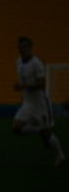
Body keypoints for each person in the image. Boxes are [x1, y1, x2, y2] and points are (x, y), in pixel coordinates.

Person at [12, 37, 64, 166]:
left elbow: (42, 83)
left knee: (47, 136)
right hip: (28, 103)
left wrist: (24, 86)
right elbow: (23, 81)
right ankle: (39, 130)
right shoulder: (18, 62)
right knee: (16, 128)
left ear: (30, 48)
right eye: (20, 47)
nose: (22, 49)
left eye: (24, 47)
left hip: (40, 103)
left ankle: (61, 155)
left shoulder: (36, 63)